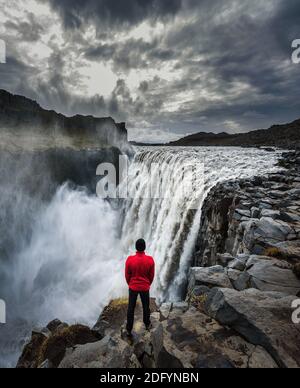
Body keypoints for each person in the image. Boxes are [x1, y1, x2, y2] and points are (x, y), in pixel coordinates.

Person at [125, 239, 155, 336]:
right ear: (144, 247)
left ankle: (129, 329)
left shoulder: (130, 259)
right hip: (145, 287)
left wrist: (130, 284)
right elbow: (151, 276)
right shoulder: (150, 260)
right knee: (146, 307)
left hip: (133, 287)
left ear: (136, 247)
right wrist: (147, 284)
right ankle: (147, 324)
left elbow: (127, 275)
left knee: (131, 308)